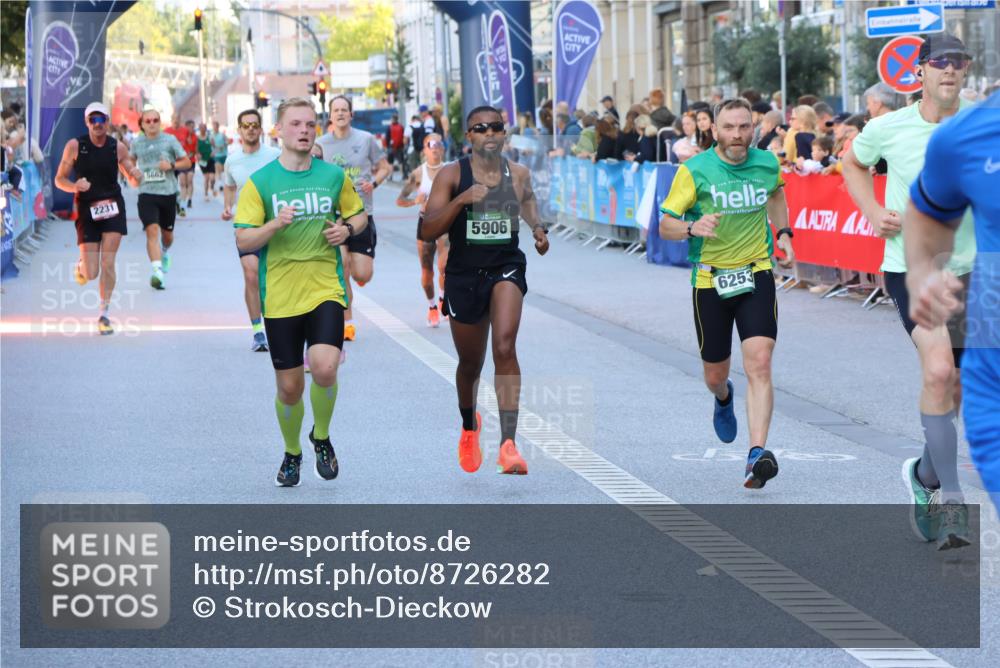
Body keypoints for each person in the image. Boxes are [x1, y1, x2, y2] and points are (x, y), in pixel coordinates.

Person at [843, 34, 976, 550]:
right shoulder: (886, 128)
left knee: (956, 388)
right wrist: (874, 212)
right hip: (911, 268)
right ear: (919, 72)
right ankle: (954, 507)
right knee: (939, 369)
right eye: (940, 63)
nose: (950, 71)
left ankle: (924, 474)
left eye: (958, 63)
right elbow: (852, 165)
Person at [657, 98, 792, 489]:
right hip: (710, 281)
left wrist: (783, 233)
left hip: (756, 273)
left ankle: (756, 455)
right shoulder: (694, 170)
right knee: (715, 373)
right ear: (714, 131)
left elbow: (777, 195)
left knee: (760, 362)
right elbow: (665, 224)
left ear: (754, 128)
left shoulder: (766, 163)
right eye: (730, 127)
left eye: (745, 126)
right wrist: (692, 228)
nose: (738, 135)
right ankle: (722, 397)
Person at [233, 97, 368, 487]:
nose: (305, 131)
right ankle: (292, 451)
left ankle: (321, 437)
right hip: (280, 296)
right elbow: (244, 238)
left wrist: (347, 230)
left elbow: (357, 215)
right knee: (290, 389)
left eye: (310, 124)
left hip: (325, 288)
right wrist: (274, 225)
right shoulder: (261, 183)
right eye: (295, 124)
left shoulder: (331, 176)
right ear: (279, 131)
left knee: (326, 368)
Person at [419, 106, 550, 475]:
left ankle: (508, 443)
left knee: (505, 345)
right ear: (469, 136)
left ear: (504, 134)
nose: (490, 133)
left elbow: (527, 203)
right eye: (481, 128)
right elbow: (427, 230)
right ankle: (468, 426)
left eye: (496, 127)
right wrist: (462, 200)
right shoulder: (451, 174)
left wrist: (539, 231)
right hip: (463, 274)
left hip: (506, 266)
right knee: (470, 364)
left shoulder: (518, 173)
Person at [904, 89, 1000, 522]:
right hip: (994, 376)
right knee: (943, 373)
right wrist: (924, 273)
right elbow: (927, 215)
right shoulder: (966, 137)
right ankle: (935, 481)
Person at [54, 101, 142, 334]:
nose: (97, 124)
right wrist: (75, 186)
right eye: (93, 120)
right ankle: (82, 265)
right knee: (91, 272)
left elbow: (131, 176)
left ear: (107, 122)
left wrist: (136, 175)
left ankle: (104, 313)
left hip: (112, 206)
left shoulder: (117, 147)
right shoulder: (75, 146)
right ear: (87, 122)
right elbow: (59, 179)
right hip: (87, 209)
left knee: (108, 262)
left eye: (101, 119)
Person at [313, 95, 392, 342]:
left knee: (361, 274)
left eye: (344, 110)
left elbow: (385, 167)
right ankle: (347, 324)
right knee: (342, 267)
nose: (340, 114)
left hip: (361, 214)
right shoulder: (320, 144)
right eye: (335, 110)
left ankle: (362, 275)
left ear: (351, 114)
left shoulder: (366, 139)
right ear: (330, 115)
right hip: (334, 215)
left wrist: (374, 182)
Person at [222, 108, 281, 353]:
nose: (250, 129)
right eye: (246, 125)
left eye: (255, 125)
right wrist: (228, 207)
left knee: (273, 279)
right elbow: (229, 186)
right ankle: (258, 331)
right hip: (246, 224)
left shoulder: (275, 155)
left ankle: (279, 323)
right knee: (251, 274)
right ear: (239, 130)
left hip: (275, 225)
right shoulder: (232, 160)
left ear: (261, 128)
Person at [129, 105, 192, 290]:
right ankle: (157, 273)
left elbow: (187, 161)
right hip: (146, 192)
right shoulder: (137, 143)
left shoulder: (170, 140)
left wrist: (171, 165)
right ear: (142, 124)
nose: (152, 124)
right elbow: (128, 163)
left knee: (167, 235)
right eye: (148, 121)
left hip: (168, 193)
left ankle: (164, 252)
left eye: (155, 120)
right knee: (152, 231)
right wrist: (132, 173)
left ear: (160, 123)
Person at [396, 133, 449, 327]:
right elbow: (400, 200)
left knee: (445, 266)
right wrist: (414, 201)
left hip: (446, 223)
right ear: (424, 150)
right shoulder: (418, 173)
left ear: (443, 148)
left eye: (438, 143)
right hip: (425, 223)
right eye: (430, 144)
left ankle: (444, 299)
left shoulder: (451, 169)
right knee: (427, 272)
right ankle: (432, 307)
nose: (435, 147)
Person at [164, 115, 196, 216]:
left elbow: (190, 142)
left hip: (182, 162)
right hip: (170, 162)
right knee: (172, 185)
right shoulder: (166, 131)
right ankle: (174, 203)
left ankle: (182, 206)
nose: (176, 122)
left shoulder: (185, 130)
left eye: (178, 120)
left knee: (183, 183)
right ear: (171, 120)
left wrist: (190, 150)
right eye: (174, 120)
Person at [196, 123, 215, 201]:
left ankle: (212, 186)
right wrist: (197, 154)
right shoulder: (197, 138)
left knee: (212, 178)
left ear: (206, 129)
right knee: (206, 178)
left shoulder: (209, 137)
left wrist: (213, 152)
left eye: (204, 128)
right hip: (202, 161)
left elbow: (214, 146)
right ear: (199, 129)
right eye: (201, 128)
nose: (203, 129)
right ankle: (206, 194)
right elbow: (195, 149)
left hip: (210, 159)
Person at [210, 120, 229, 195]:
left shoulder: (222, 135)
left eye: (216, 126)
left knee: (223, 170)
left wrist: (224, 145)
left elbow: (228, 141)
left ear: (218, 127)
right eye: (213, 126)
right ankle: (221, 185)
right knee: (218, 170)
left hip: (223, 155)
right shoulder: (211, 136)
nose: (214, 128)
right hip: (217, 155)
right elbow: (210, 145)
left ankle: (223, 182)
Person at [387, 113, 407, 178]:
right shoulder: (401, 127)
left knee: (390, 162)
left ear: (392, 119)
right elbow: (403, 136)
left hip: (391, 147)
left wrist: (388, 146)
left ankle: (390, 176)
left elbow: (387, 137)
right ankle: (402, 175)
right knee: (401, 161)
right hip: (400, 147)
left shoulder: (389, 127)